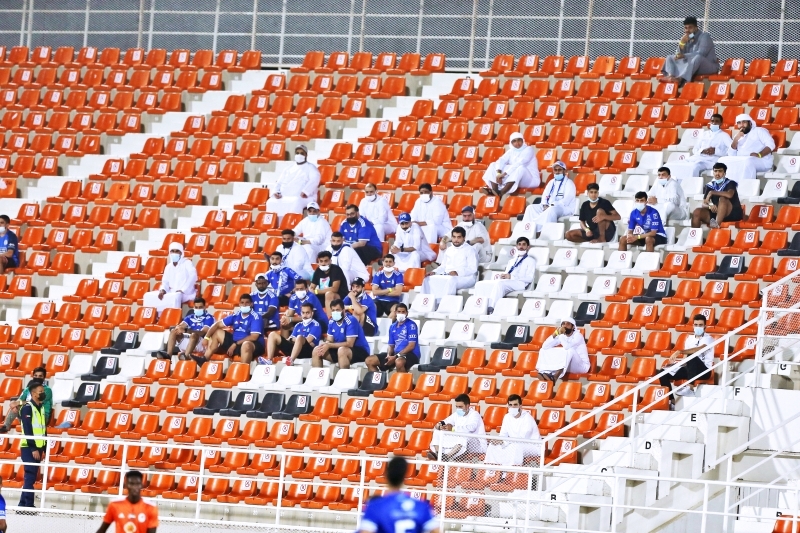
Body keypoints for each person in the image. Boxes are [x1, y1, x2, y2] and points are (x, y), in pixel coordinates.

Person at [357, 457, 438, 533]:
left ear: (386, 475)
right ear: (404, 477)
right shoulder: (421, 506)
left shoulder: (375, 506)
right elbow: (436, 530)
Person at [473, 237, 536, 314]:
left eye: (524, 244)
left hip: (520, 283)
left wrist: (511, 277)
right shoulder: (511, 261)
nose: (521, 247)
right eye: (519, 244)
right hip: (508, 281)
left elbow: (529, 278)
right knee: (480, 284)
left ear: (528, 247)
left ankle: (491, 309)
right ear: (516, 246)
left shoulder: (531, 261)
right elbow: (507, 273)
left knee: (500, 284)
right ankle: (478, 307)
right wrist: (504, 276)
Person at [660, 314, 714, 398]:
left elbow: (699, 349)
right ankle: (671, 401)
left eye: (700, 325)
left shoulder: (709, 338)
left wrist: (679, 351)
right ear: (693, 326)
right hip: (690, 370)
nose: (698, 327)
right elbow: (685, 358)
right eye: (696, 325)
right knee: (662, 373)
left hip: (704, 370)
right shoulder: (689, 338)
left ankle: (690, 389)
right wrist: (675, 366)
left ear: (705, 327)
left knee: (692, 355)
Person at [202, 293, 265, 364]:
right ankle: (204, 359)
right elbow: (217, 324)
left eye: (247, 303)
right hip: (236, 343)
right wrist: (206, 338)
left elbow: (254, 337)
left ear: (251, 304)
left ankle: (242, 371)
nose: (244, 305)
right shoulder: (236, 315)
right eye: (242, 303)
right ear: (239, 304)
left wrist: (235, 344)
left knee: (246, 345)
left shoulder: (256, 317)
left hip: (254, 345)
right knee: (217, 332)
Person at [668, 113, 732, 180]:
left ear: (721, 123)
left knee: (694, 167)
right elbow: (695, 150)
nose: (714, 123)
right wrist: (702, 151)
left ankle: (690, 187)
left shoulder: (724, 135)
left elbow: (731, 151)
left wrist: (715, 151)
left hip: (710, 161)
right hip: (697, 157)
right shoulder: (704, 134)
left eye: (717, 121)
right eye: (712, 121)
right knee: (671, 165)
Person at [265, 144, 321, 220]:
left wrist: (306, 191)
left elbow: (315, 179)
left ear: (306, 155)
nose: (299, 155)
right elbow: (279, 182)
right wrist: (276, 192)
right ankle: (274, 225)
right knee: (270, 202)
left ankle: (291, 223)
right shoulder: (288, 168)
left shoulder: (311, 167)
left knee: (296, 202)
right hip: (285, 196)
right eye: (297, 153)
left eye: (302, 153)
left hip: (303, 197)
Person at [421, 227, 477, 302]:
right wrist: (434, 272)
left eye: (459, 237)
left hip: (467, 278)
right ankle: (425, 304)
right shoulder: (449, 250)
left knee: (451, 280)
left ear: (464, 238)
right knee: (427, 279)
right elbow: (443, 266)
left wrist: (457, 273)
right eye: (454, 237)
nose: (456, 240)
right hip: (448, 276)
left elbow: (473, 269)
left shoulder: (470, 250)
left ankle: (444, 304)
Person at [312, 299, 371, 369]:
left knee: (342, 351)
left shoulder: (351, 321)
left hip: (360, 350)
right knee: (317, 350)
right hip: (340, 349)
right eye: (333, 310)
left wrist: (329, 345)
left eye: (337, 310)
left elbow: (350, 344)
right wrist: (325, 345)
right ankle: (318, 378)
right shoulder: (331, 322)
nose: (335, 312)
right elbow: (330, 340)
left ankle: (343, 379)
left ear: (343, 310)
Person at [484, 394, 541, 467]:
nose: (512, 407)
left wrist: (505, 441)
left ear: (520, 406)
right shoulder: (507, 417)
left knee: (515, 447)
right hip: (513, 443)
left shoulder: (527, 418)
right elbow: (503, 435)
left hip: (532, 446)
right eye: (510, 405)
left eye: (515, 405)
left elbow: (522, 439)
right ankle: (492, 471)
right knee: (493, 445)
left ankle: (511, 471)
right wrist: (499, 440)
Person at [427, 394, 487, 462]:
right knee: (437, 432)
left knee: (464, 436)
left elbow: (471, 428)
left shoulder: (474, 414)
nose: (458, 409)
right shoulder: (457, 414)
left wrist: (453, 429)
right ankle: (439, 454)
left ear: (467, 406)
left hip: (476, 444)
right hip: (461, 441)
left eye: (460, 407)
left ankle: (447, 456)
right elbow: (446, 421)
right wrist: (439, 425)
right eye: (457, 407)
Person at [659, 16, 719, 84]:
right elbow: (678, 55)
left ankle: (680, 79)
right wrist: (682, 43)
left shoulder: (705, 36)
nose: (687, 30)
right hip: (692, 65)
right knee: (670, 57)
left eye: (690, 27)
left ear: (696, 28)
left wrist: (684, 56)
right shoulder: (687, 38)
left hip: (708, 66)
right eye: (686, 28)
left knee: (698, 58)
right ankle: (671, 77)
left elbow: (702, 53)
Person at [717, 114, 775, 182]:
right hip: (742, 161)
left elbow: (771, 145)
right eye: (739, 123)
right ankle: (724, 187)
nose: (741, 125)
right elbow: (731, 154)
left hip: (761, 160)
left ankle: (744, 189)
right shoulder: (738, 135)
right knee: (721, 160)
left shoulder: (759, 131)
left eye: (744, 122)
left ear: (750, 123)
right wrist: (735, 140)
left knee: (747, 161)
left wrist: (759, 154)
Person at [142, 242, 197, 315]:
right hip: (171, 292)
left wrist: (183, 290)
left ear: (181, 253)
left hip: (185, 293)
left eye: (177, 251)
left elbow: (193, 276)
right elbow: (165, 282)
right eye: (172, 251)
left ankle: (172, 318)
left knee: (176, 297)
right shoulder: (168, 267)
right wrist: (163, 290)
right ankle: (154, 318)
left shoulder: (187, 263)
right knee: (148, 296)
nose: (174, 253)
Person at [522, 161, 577, 232]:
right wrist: (544, 205)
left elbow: (566, 201)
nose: (557, 172)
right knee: (530, 208)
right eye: (555, 170)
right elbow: (545, 196)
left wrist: (551, 205)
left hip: (564, 208)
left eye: (559, 170)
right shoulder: (551, 182)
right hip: (548, 206)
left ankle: (544, 232)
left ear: (564, 171)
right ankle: (527, 231)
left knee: (551, 210)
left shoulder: (569, 183)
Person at [480, 131, 540, 197]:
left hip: (530, 180)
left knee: (521, 168)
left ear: (523, 140)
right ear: (511, 143)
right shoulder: (511, 151)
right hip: (516, 178)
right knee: (493, 165)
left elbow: (519, 163)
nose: (517, 143)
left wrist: (504, 174)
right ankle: (495, 190)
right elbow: (501, 160)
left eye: (519, 140)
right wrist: (499, 173)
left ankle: (501, 193)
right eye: (514, 141)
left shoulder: (528, 149)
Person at [365, 303, 419, 373]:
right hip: (396, 354)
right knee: (369, 360)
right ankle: (378, 382)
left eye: (403, 312)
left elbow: (411, 346)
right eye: (399, 312)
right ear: (395, 313)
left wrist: (396, 356)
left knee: (399, 362)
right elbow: (391, 345)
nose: (401, 313)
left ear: (407, 313)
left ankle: (402, 383)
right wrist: (388, 356)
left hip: (411, 354)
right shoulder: (392, 326)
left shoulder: (411, 325)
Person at [0, 367, 55, 434]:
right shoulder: (27, 389)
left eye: (40, 376)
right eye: (35, 375)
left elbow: (36, 402)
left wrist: (18, 403)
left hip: (41, 415)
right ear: (33, 376)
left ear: (44, 378)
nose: (37, 377)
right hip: (28, 413)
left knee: (20, 405)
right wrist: (14, 404)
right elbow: (18, 401)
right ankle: (6, 427)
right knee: (17, 407)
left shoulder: (47, 390)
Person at [18, 379, 46, 508]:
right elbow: (28, 429)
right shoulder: (27, 408)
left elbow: (43, 429)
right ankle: (28, 505)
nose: (43, 393)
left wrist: (44, 448)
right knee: (30, 476)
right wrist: (34, 447)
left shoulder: (41, 408)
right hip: (29, 448)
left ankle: (22, 505)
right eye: (41, 391)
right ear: (34, 393)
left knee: (31, 477)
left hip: (38, 448)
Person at [536, 318, 590, 382]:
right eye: (563, 324)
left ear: (573, 327)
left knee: (570, 350)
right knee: (544, 350)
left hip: (581, 366)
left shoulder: (578, 336)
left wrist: (560, 335)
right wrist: (555, 334)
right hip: (568, 365)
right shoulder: (562, 336)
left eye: (568, 324)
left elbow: (567, 347)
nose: (565, 326)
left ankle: (555, 377)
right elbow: (545, 346)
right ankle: (544, 372)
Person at [691, 162, 744, 228]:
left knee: (723, 199)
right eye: (715, 171)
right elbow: (704, 203)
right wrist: (710, 206)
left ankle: (716, 226)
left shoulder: (730, 183)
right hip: (716, 214)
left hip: (732, 213)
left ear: (724, 173)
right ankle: (695, 237)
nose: (717, 174)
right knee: (697, 212)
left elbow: (729, 195)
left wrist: (712, 192)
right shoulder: (710, 185)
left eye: (720, 171)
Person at [371, 255, 404, 320]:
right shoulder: (378, 274)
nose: (388, 264)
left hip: (393, 301)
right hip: (379, 301)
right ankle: (372, 328)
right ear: (383, 263)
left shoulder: (398, 275)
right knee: (370, 307)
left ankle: (385, 328)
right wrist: (390, 289)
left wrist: (381, 291)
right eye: (386, 261)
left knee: (396, 311)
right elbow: (374, 292)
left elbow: (397, 293)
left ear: (393, 263)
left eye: (390, 262)